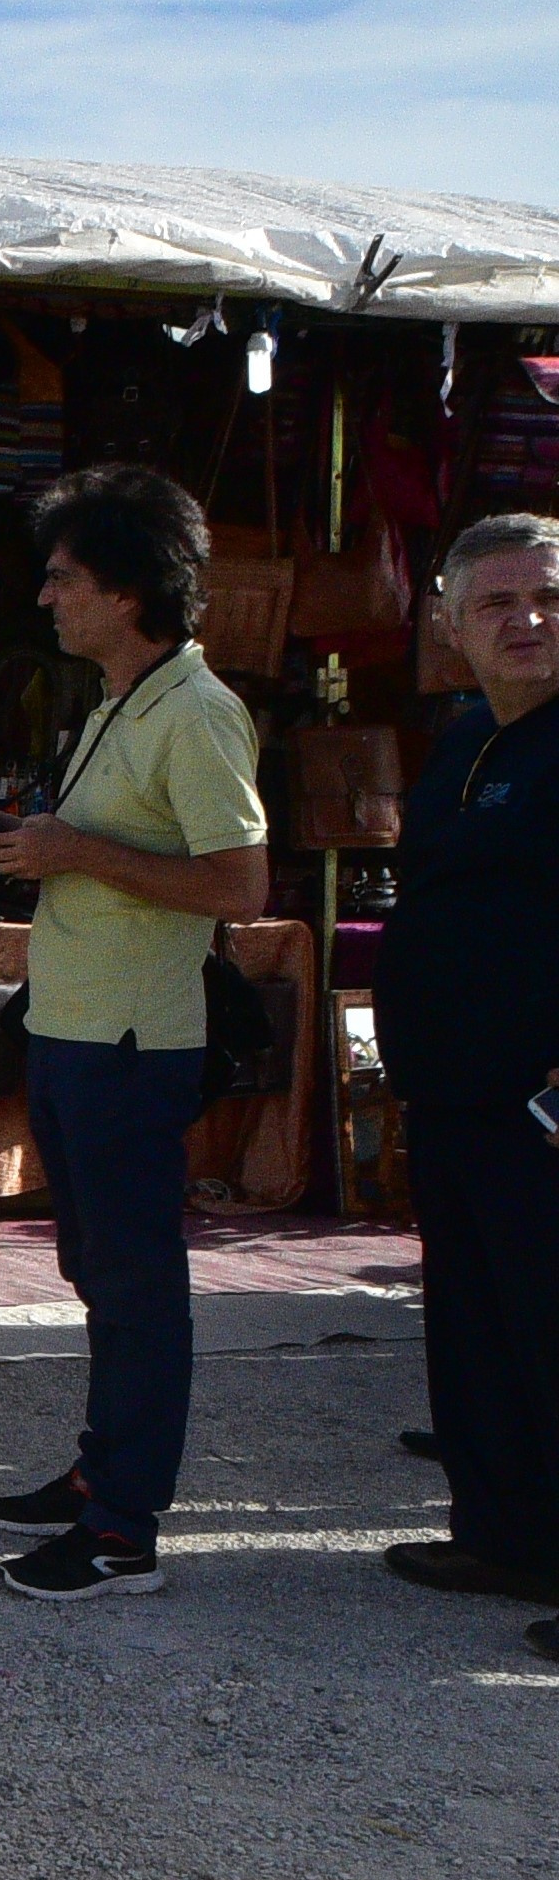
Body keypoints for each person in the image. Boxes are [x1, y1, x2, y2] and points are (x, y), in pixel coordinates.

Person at [0, 464, 270, 1601]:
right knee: (96, 1269)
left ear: (129, 588)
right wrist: (36, 847)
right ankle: (104, 1474)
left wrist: (76, 852)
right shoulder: (120, 700)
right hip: (74, 1028)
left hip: (135, 1044)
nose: (45, 598)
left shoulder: (196, 711)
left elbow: (241, 885)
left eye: (63, 577)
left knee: (136, 1282)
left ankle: (123, 1529)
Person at [372, 514, 559, 1663]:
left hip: (543, 1103)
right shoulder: (462, 739)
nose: (529, 619)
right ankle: (508, 1535)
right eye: (496, 604)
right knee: (480, 1327)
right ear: (448, 624)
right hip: (457, 1093)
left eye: (547, 596)